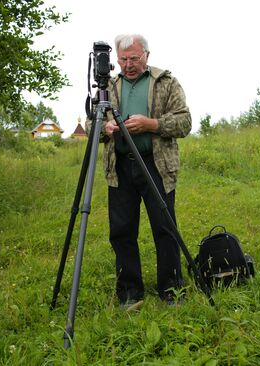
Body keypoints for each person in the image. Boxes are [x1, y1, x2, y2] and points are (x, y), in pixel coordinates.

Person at [87, 34, 192, 309]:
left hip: (155, 164)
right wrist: (105, 129)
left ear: (146, 55)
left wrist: (151, 124)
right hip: (120, 168)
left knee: (165, 227)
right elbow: (89, 127)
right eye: (123, 59)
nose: (129, 64)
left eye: (134, 58)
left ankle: (172, 291)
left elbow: (185, 122)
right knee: (121, 231)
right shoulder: (107, 85)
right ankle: (130, 293)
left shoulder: (165, 81)